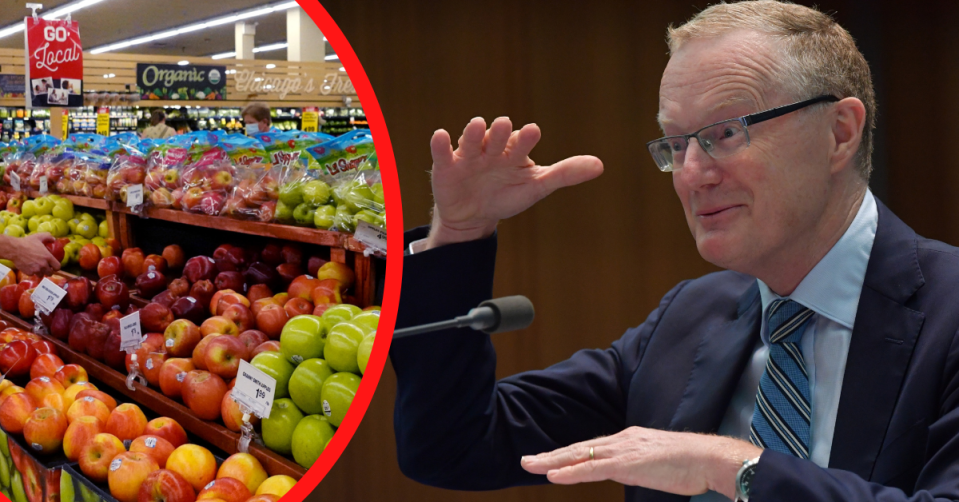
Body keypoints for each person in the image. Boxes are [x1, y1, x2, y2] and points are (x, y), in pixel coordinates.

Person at [392, 2, 959, 502]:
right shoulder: (690, 318)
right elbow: (452, 445)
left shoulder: (947, 313)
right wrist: (461, 232)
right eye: (677, 143)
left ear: (839, 133)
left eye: (725, 133)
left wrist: (728, 466)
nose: (691, 174)